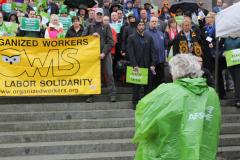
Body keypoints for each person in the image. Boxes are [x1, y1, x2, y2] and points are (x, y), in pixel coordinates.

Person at [133, 54, 221, 160]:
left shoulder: (166, 92)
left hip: (169, 154)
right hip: (201, 153)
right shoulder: (211, 94)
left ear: (176, 71)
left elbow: (144, 122)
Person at [85, 8, 116, 103]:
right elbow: (82, 39)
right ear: (94, 15)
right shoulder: (90, 27)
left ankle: (112, 94)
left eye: (100, 14)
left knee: (109, 74)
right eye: (97, 14)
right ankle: (90, 94)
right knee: (93, 75)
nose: (99, 15)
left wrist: (104, 52)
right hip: (93, 56)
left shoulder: (107, 26)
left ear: (102, 16)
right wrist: (90, 36)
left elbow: (111, 41)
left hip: (105, 54)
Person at [127, 20, 155, 110]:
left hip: (147, 65)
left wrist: (153, 64)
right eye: (139, 25)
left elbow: (153, 52)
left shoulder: (149, 37)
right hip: (137, 65)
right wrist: (134, 64)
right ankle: (135, 103)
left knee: (148, 86)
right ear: (136, 27)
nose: (141, 26)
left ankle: (146, 103)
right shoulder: (131, 38)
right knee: (136, 86)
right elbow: (130, 53)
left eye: (143, 25)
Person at [145, 17, 166, 90]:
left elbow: (164, 46)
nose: (154, 23)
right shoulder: (146, 33)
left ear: (157, 23)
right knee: (150, 83)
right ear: (149, 23)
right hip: (151, 63)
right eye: (152, 21)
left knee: (159, 82)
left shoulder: (161, 33)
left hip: (160, 62)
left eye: (155, 21)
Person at [224, 37, 240, 107]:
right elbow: (223, 49)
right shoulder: (226, 39)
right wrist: (223, 53)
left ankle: (238, 99)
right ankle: (237, 98)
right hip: (230, 62)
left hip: (238, 63)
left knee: (237, 81)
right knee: (235, 81)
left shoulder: (239, 39)